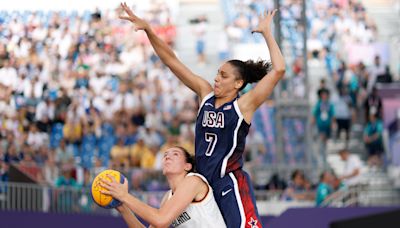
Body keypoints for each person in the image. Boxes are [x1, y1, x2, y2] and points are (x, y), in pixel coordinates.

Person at [119, 3, 285, 227]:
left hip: (228, 183)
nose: (217, 78)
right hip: (204, 180)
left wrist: (267, 33)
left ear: (238, 83)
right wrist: (149, 30)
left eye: (224, 76)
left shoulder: (243, 106)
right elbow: (171, 61)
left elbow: (278, 70)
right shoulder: (205, 94)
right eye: (217, 73)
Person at [100, 146, 226, 228]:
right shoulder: (167, 198)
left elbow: (161, 220)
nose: (167, 156)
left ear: (187, 166)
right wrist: (123, 207)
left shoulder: (193, 181)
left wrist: (124, 195)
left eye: (175, 154)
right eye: (165, 154)